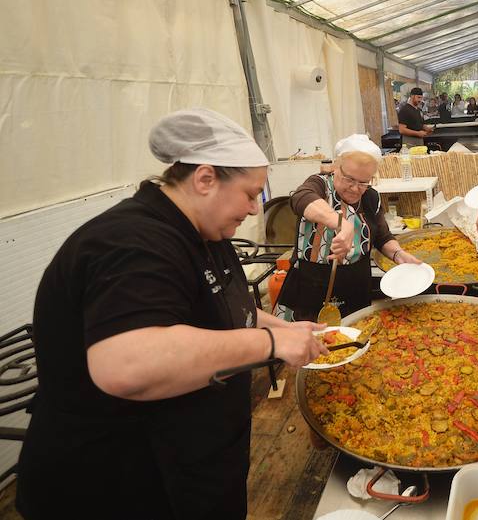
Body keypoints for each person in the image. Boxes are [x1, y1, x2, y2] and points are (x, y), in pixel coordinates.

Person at [16, 109, 329, 519]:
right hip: (119, 484)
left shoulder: (202, 229)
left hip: (193, 466)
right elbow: (126, 364)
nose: (256, 209)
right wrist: (270, 343)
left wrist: (282, 326)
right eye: (250, 194)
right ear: (204, 179)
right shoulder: (129, 242)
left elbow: (222, 304)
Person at [280, 135, 421, 320]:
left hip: (357, 285)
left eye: (364, 182)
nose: (355, 188)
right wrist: (341, 224)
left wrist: (398, 254)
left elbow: (382, 236)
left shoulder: (370, 198)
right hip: (312, 288)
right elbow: (300, 198)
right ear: (335, 168)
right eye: (349, 179)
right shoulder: (319, 185)